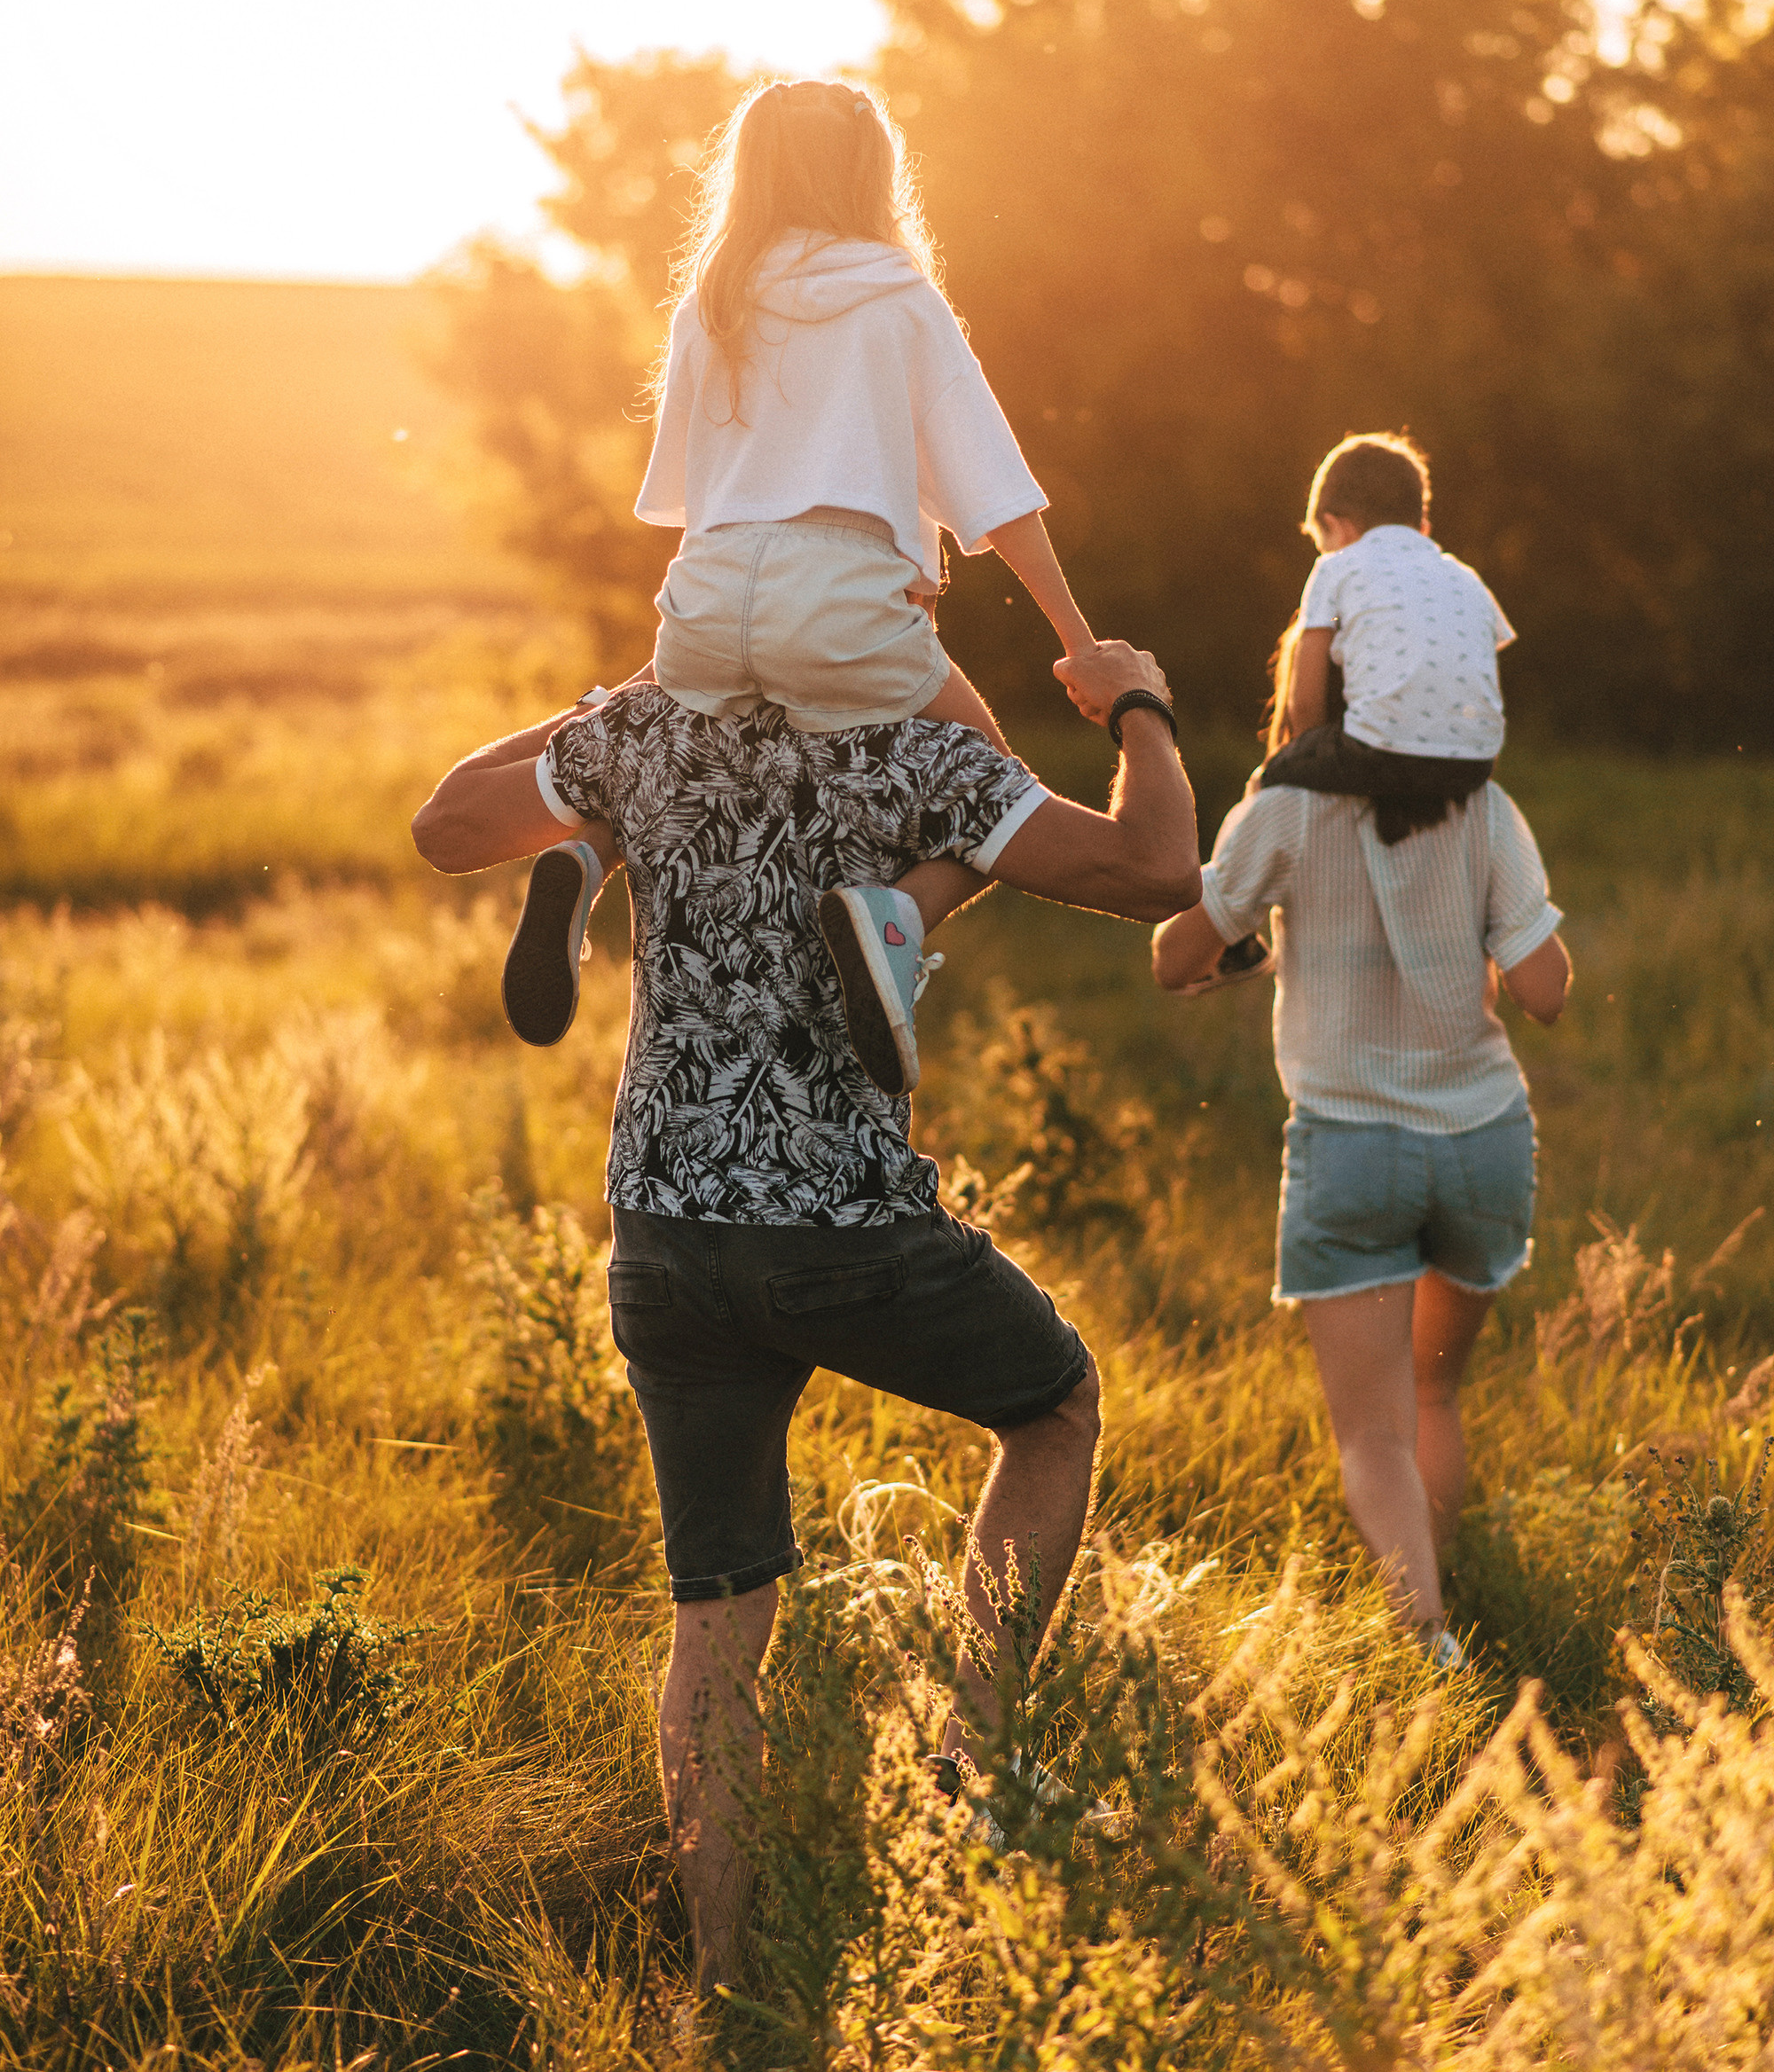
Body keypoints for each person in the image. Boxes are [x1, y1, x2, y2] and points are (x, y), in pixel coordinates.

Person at [413, 638, 1198, 1987]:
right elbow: (1156, 870)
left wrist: (608, 717)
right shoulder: (916, 746)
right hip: (838, 1223)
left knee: (716, 1618)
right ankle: (971, 1757)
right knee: (1051, 1403)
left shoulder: (653, 729)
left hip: (662, 1230)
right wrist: (1141, 705)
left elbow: (445, 821)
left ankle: (728, 1990)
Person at [498, 76, 1104, 1098]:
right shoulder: (898, 298)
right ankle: (896, 921)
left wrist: (679, 648)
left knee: (687, 750)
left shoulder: (713, 300)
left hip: (706, 597)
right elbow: (996, 494)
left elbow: (697, 501)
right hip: (841, 604)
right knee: (991, 785)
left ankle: (587, 859)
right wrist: (1079, 644)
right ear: (873, 174)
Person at [1151, 742, 1570, 1662]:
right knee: (1433, 1391)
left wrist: (1244, 940)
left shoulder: (1286, 808)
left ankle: (1424, 1635)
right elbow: (1542, 988)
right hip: (1482, 1141)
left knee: (1370, 1434)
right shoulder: (1482, 804)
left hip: (1350, 1148)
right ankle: (1437, 1580)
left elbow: (1172, 954)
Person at [1195, 431, 1515, 996]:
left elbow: (1305, 694)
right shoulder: (1465, 577)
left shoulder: (1337, 569)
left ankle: (1236, 944)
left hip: (1376, 748)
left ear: (1335, 525)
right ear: (1423, 527)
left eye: (1319, 539)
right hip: (1475, 763)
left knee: (1266, 782)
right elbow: (1475, 657)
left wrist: (1298, 756)